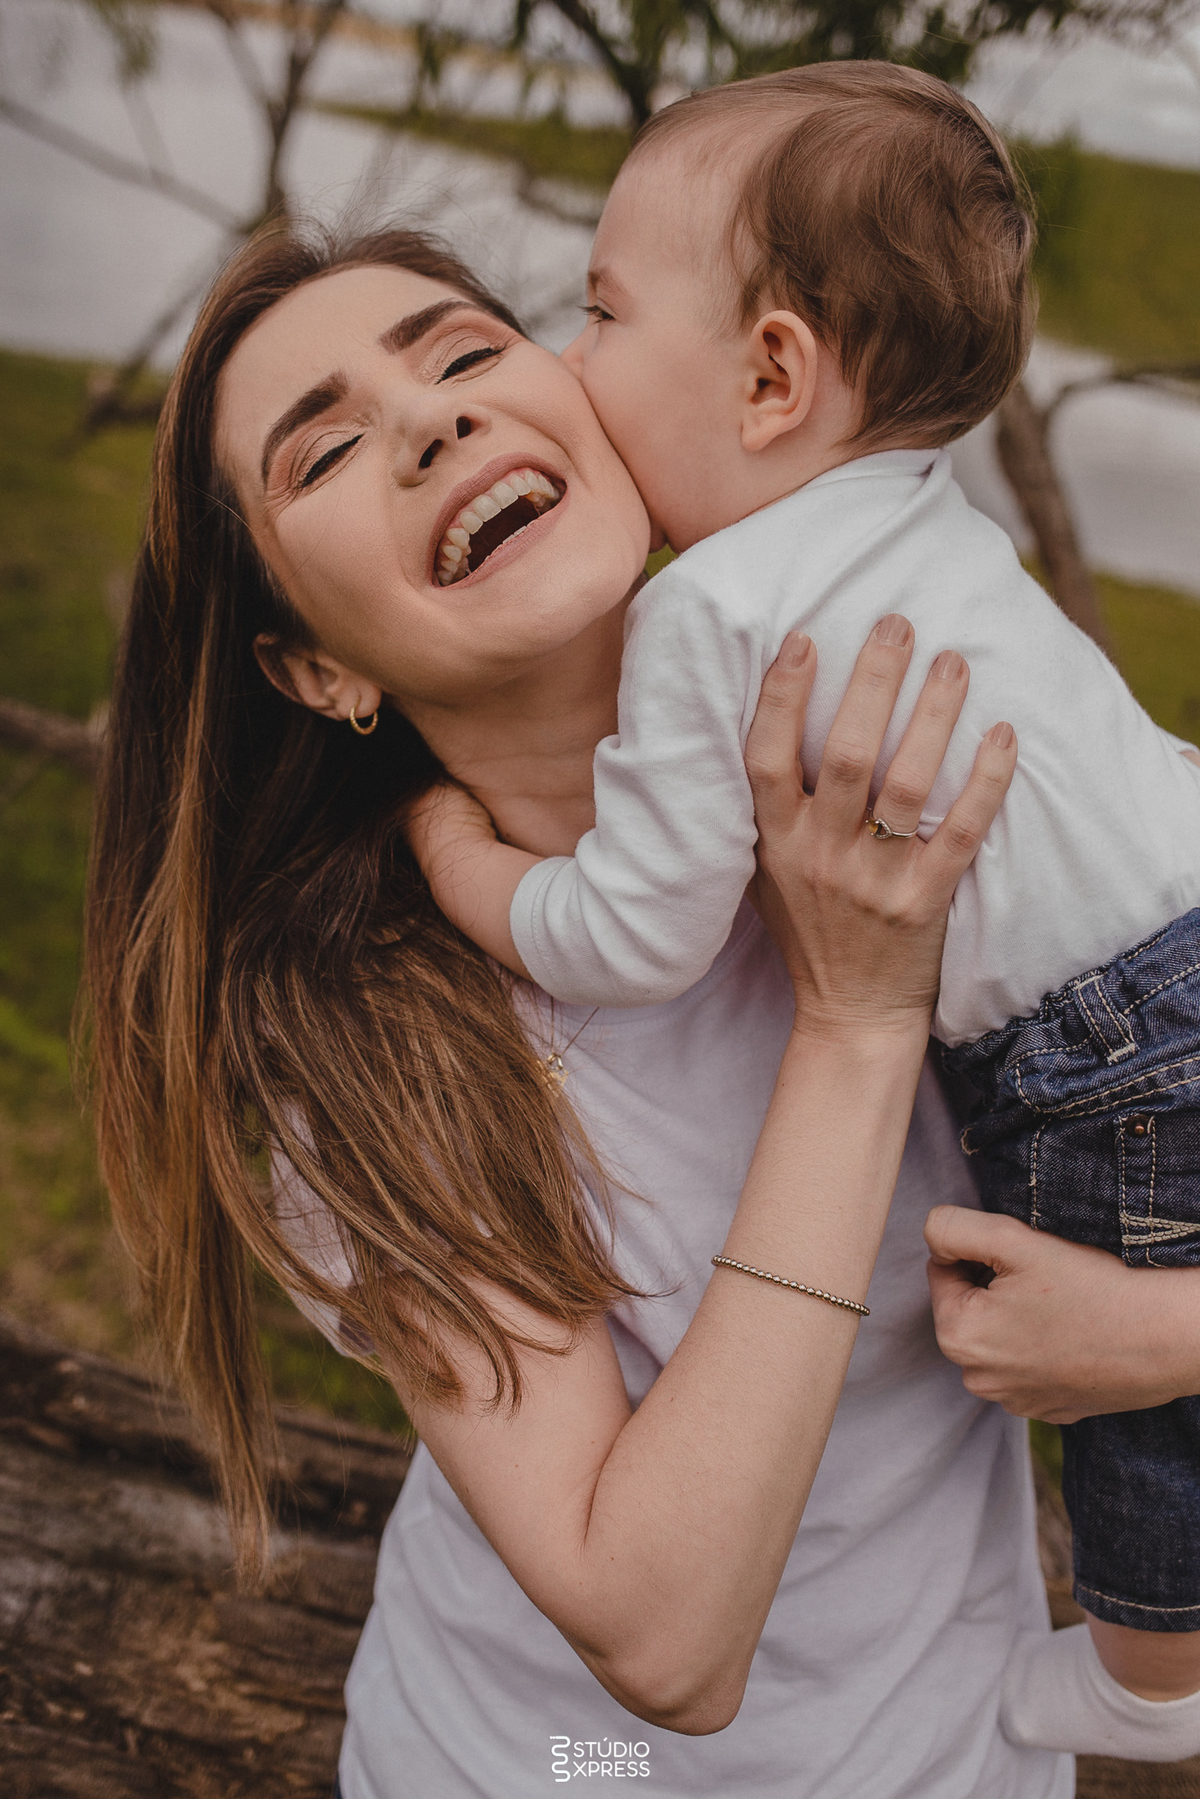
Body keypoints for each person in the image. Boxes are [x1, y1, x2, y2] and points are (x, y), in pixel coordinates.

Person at [85, 223, 1071, 1799]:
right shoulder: (370, 1035)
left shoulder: (894, 760)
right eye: (325, 449)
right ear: (313, 668)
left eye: (468, 353)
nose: (432, 420)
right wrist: (857, 1026)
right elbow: (660, 1636)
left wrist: (1150, 1330)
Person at [411, 64, 1200, 1756]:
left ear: (772, 373)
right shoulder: (917, 517)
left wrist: (462, 865)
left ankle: (1157, 1673)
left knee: (1138, 1358)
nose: (567, 359)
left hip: (1106, 1033)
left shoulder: (719, 618)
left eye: (601, 310)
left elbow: (634, 932)